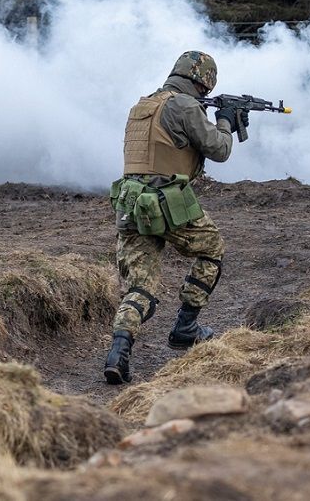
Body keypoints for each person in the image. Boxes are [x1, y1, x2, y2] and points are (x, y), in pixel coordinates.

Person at [103, 50, 248, 385]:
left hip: (131, 204)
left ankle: (117, 353)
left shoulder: (142, 105)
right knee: (212, 249)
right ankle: (185, 327)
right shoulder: (185, 106)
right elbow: (220, 150)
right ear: (204, 81)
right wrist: (225, 120)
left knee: (140, 286)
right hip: (168, 202)